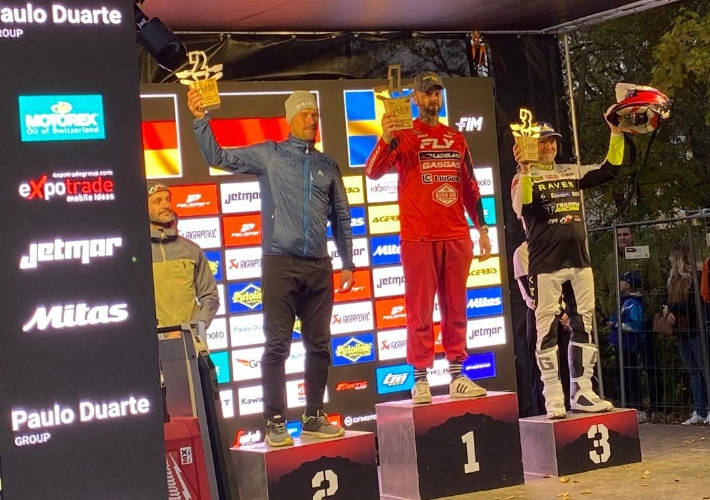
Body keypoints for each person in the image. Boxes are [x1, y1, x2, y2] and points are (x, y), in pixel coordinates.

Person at [187, 89, 354, 446]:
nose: (312, 120)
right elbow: (218, 157)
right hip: (279, 263)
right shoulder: (270, 154)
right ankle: (274, 421)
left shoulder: (327, 164)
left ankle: (314, 416)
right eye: (305, 114)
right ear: (290, 119)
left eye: (315, 115)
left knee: (320, 345)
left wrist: (348, 263)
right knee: (277, 346)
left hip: (319, 267)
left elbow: (342, 217)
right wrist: (200, 120)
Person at [365, 71, 492, 404]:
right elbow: (373, 172)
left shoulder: (455, 137)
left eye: (437, 93)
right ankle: (420, 379)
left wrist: (482, 229)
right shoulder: (404, 135)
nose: (433, 99)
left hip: (456, 236)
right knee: (419, 311)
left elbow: (471, 187)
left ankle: (457, 376)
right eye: (428, 93)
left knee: (456, 309)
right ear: (415, 99)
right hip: (418, 237)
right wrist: (385, 136)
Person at [511, 117, 624, 418]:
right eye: (542, 142)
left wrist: (616, 132)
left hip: (579, 261)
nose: (549, 146)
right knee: (546, 329)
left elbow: (609, 169)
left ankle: (582, 391)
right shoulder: (523, 177)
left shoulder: (570, 171)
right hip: (545, 264)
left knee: (583, 324)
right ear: (530, 147)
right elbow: (523, 207)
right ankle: (553, 396)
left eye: (552, 141)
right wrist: (525, 170)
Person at [597, 226, 664, 421]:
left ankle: (658, 408)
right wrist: (608, 313)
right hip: (619, 322)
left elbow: (657, 285)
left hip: (642, 321)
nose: (622, 238)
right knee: (626, 366)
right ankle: (634, 408)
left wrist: (648, 312)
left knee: (651, 363)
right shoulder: (609, 261)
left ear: (632, 235)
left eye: (626, 234)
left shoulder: (644, 256)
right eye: (619, 235)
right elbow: (602, 290)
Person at [148, 181, 219, 330]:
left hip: (190, 339)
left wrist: (197, 328)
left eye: (168, 199)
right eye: (158, 201)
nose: (166, 205)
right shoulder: (136, 254)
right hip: (151, 341)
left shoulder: (191, 249)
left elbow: (210, 296)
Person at [513, 240, 571, 417]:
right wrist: (561, 312)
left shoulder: (555, 246)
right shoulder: (522, 253)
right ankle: (544, 413)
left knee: (566, 365)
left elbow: (567, 282)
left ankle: (570, 409)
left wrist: (568, 312)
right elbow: (533, 292)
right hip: (539, 315)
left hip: (563, 316)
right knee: (542, 369)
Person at [664, 243, 709, 425]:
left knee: (705, 369)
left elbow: (695, 304)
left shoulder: (695, 277)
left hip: (695, 328)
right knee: (694, 371)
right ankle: (700, 409)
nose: (669, 260)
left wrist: (674, 309)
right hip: (680, 330)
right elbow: (668, 300)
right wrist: (667, 310)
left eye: (671, 256)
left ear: (678, 258)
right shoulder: (672, 280)